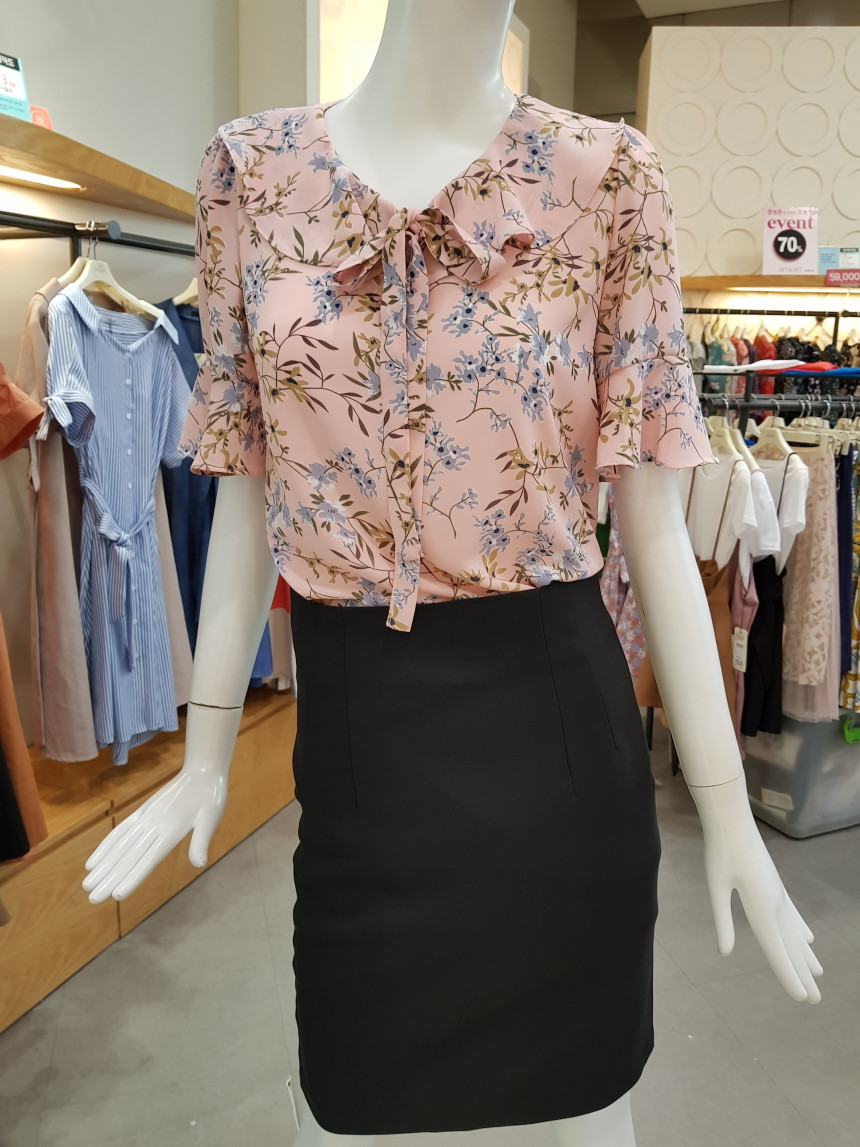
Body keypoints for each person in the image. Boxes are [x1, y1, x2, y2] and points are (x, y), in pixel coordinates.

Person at [83, 3, 822, 1144]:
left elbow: (655, 525)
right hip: (362, 773)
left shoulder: (605, 176)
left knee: (583, 1114)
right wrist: (207, 752)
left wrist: (726, 809)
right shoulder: (252, 172)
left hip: (560, 771)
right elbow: (243, 479)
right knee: (350, 1099)